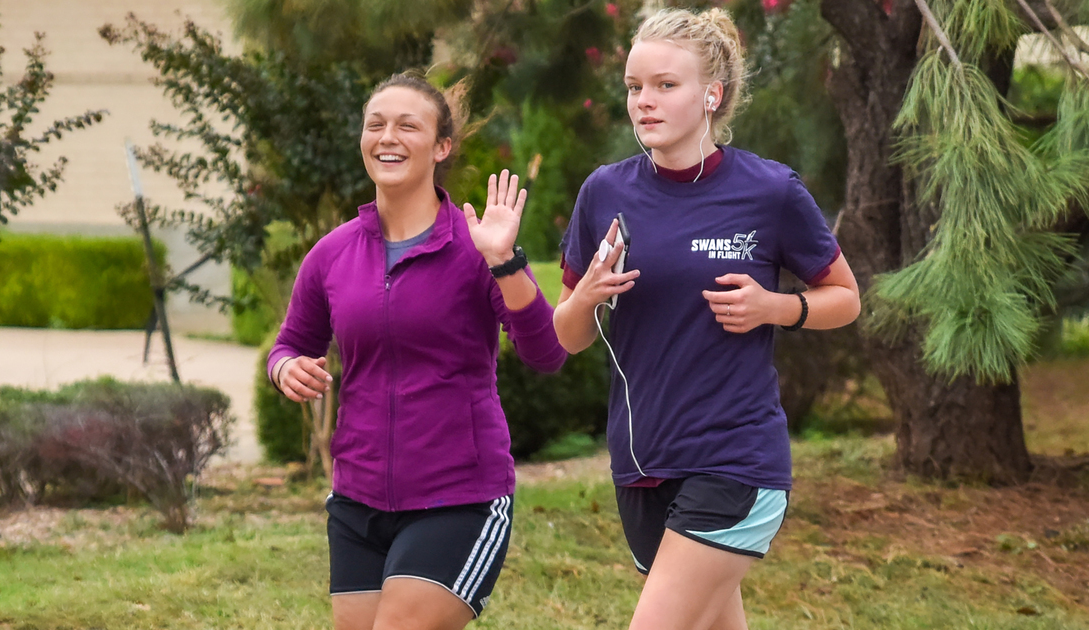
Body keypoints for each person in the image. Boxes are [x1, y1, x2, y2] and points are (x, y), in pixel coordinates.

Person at [552, 8, 861, 630]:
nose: (645, 101)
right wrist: (585, 297)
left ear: (712, 95)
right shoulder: (604, 193)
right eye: (635, 87)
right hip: (641, 462)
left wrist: (776, 307)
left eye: (666, 85)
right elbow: (569, 336)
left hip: (735, 458)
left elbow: (846, 297)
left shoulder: (768, 191)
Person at [267, 72, 566, 630]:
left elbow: (547, 352)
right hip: (357, 498)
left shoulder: (473, 248)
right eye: (375, 124)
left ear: (442, 146)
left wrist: (505, 263)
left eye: (409, 125)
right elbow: (289, 344)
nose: (388, 137)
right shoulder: (332, 255)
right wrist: (286, 367)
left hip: (458, 496)